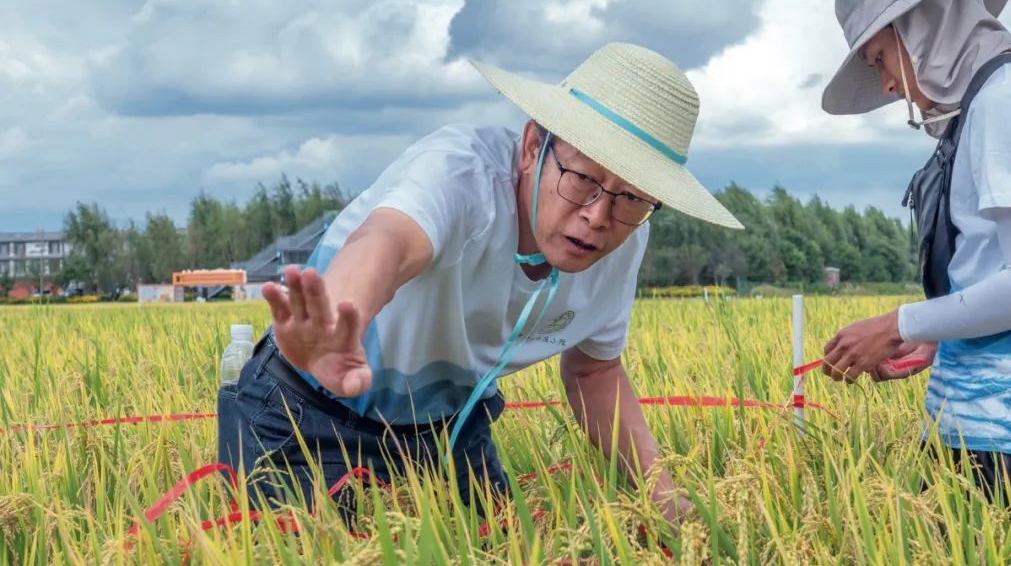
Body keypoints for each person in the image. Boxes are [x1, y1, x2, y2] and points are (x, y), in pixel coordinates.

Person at [216, 42, 744, 525]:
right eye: (583, 179)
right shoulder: (458, 172)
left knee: (503, 556)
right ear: (533, 145)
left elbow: (595, 372)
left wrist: (665, 500)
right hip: (307, 412)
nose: (599, 216)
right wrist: (337, 316)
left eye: (632, 198)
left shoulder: (625, 238)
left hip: (448, 427)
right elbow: (389, 241)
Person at [818, 0, 1011, 518]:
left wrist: (896, 324)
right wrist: (937, 337)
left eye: (881, 58)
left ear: (923, 28)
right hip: (999, 430)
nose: (887, 85)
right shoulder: (1001, 100)